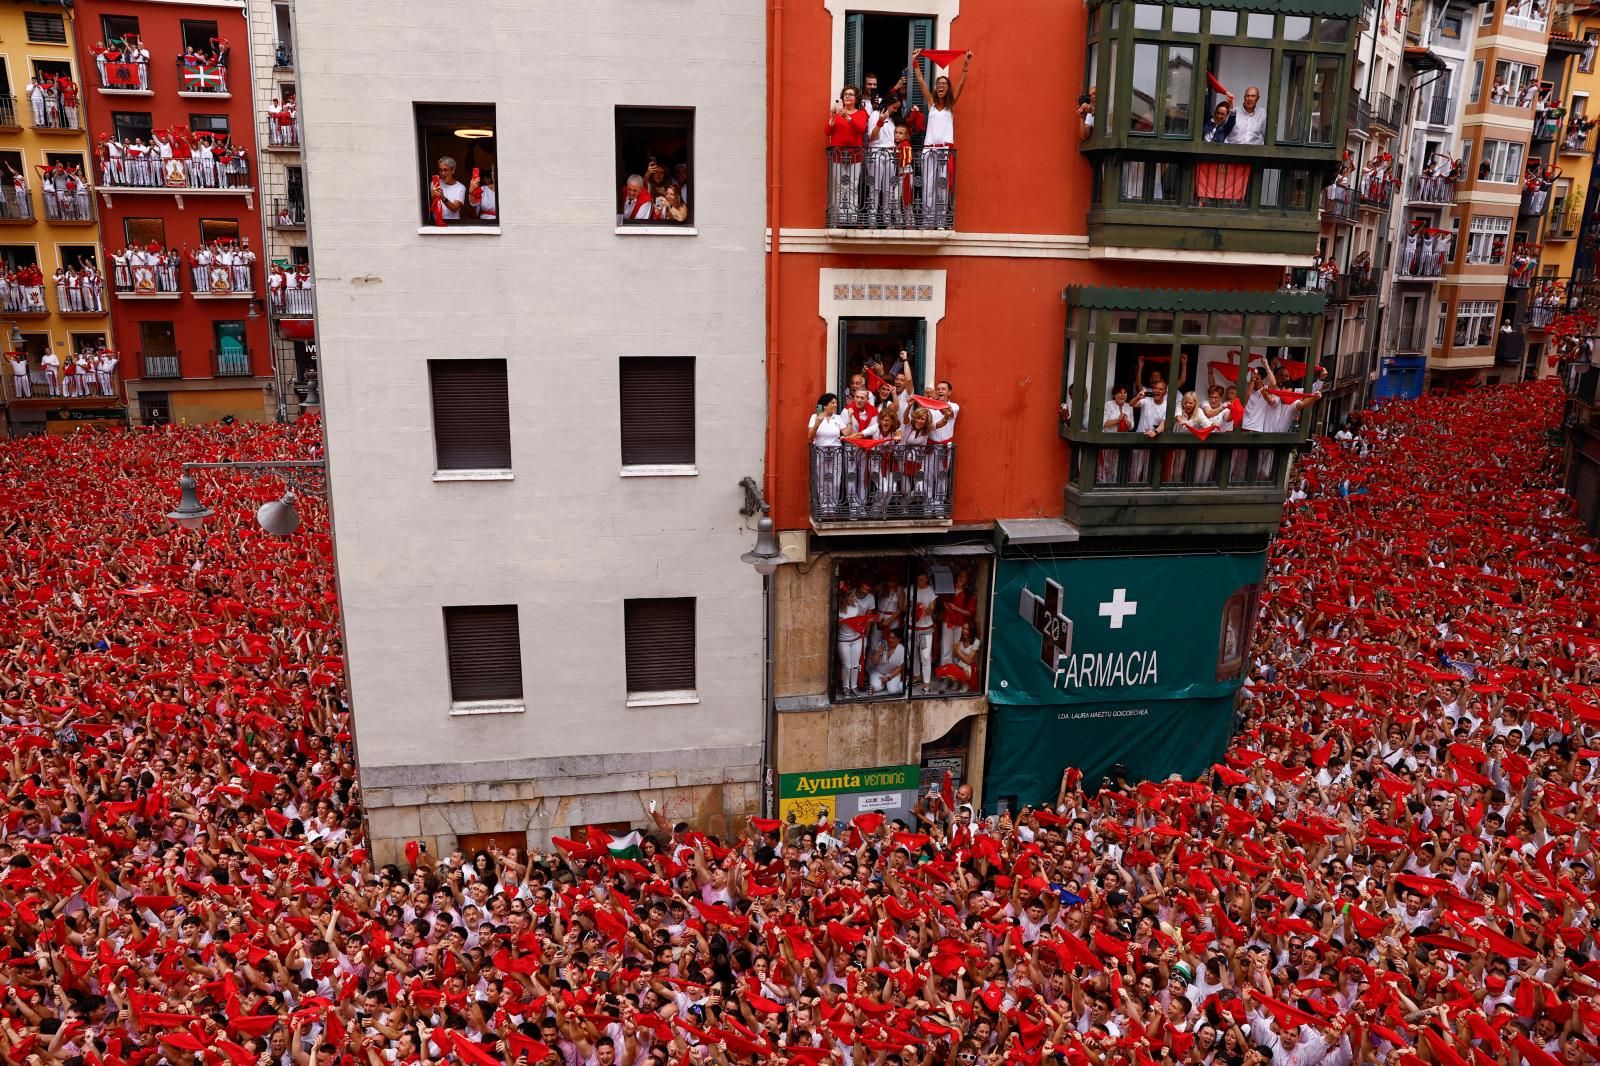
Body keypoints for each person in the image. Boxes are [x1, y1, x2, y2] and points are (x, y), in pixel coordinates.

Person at [911, 52, 972, 228]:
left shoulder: (950, 106)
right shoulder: (930, 102)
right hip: (929, 150)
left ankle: (940, 221)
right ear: (936, 87)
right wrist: (915, 63)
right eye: (939, 84)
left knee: (942, 186)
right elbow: (922, 83)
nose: (941, 86)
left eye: (944, 84)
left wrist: (965, 66)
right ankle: (928, 220)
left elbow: (961, 85)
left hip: (945, 151)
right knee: (928, 186)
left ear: (947, 87)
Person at [826, 85, 869, 225]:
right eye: (845, 94)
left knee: (852, 186)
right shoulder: (837, 114)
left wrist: (848, 117)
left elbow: (861, 129)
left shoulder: (861, 114)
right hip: (838, 154)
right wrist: (832, 118)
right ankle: (840, 218)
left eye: (851, 94)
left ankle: (851, 217)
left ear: (856, 99)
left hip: (854, 155)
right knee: (839, 186)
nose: (847, 96)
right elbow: (827, 132)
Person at [867, 626, 905, 695]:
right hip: (878, 672)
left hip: (892, 674)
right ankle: (885, 684)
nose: (890, 640)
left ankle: (899, 684)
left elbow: (900, 668)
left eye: (893, 638)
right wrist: (878, 652)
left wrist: (888, 677)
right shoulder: (882, 644)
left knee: (892, 691)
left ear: (899, 639)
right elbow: (874, 662)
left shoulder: (901, 649)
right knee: (876, 687)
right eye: (889, 637)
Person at [429, 155, 467, 224]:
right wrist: (432, 196)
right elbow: (430, 205)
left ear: (453, 170)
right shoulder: (434, 184)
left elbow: (454, 209)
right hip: (435, 223)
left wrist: (443, 197)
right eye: (440, 170)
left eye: (445, 170)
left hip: (453, 223)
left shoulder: (461, 187)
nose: (443, 173)